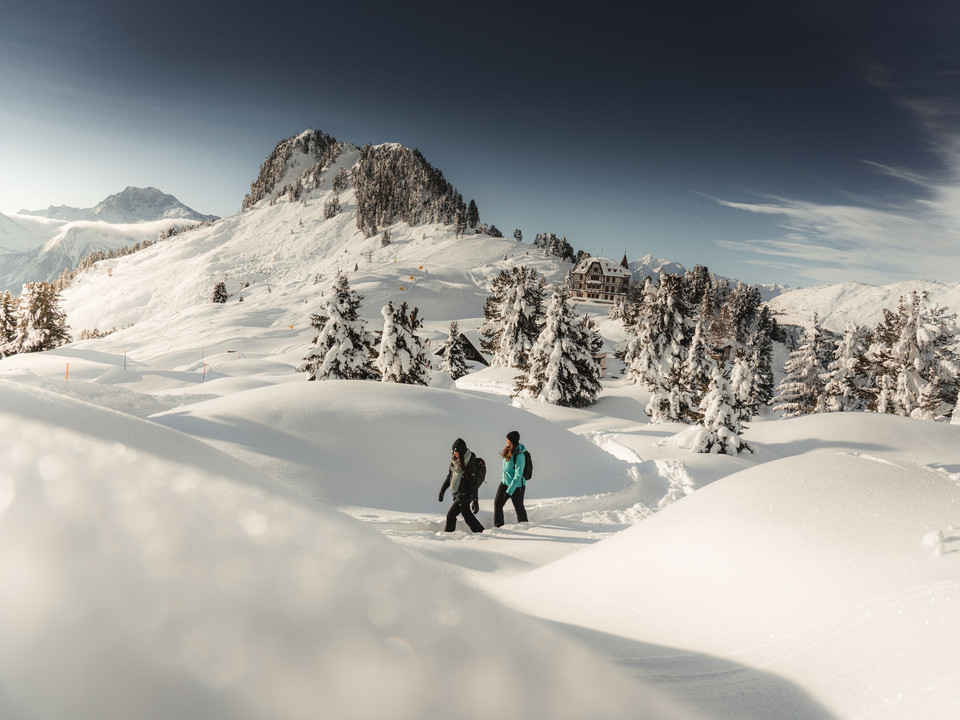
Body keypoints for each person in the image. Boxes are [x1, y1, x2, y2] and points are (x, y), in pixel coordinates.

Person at [438, 438, 485, 533]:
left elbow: (474, 483)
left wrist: (475, 500)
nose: (454, 454)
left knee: (451, 515)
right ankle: (481, 532)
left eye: (457, 452)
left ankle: (448, 536)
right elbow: (450, 476)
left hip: (464, 495)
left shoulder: (469, 464)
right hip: (457, 493)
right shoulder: (454, 462)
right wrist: (443, 489)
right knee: (467, 515)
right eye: (453, 451)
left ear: (462, 452)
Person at [494, 430, 528, 528]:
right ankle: (499, 527)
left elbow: (518, 476)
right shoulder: (508, 450)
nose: (506, 441)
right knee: (498, 504)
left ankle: (525, 527)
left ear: (512, 442)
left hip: (517, 486)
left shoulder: (520, 456)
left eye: (507, 440)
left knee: (519, 508)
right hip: (504, 483)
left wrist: (508, 493)